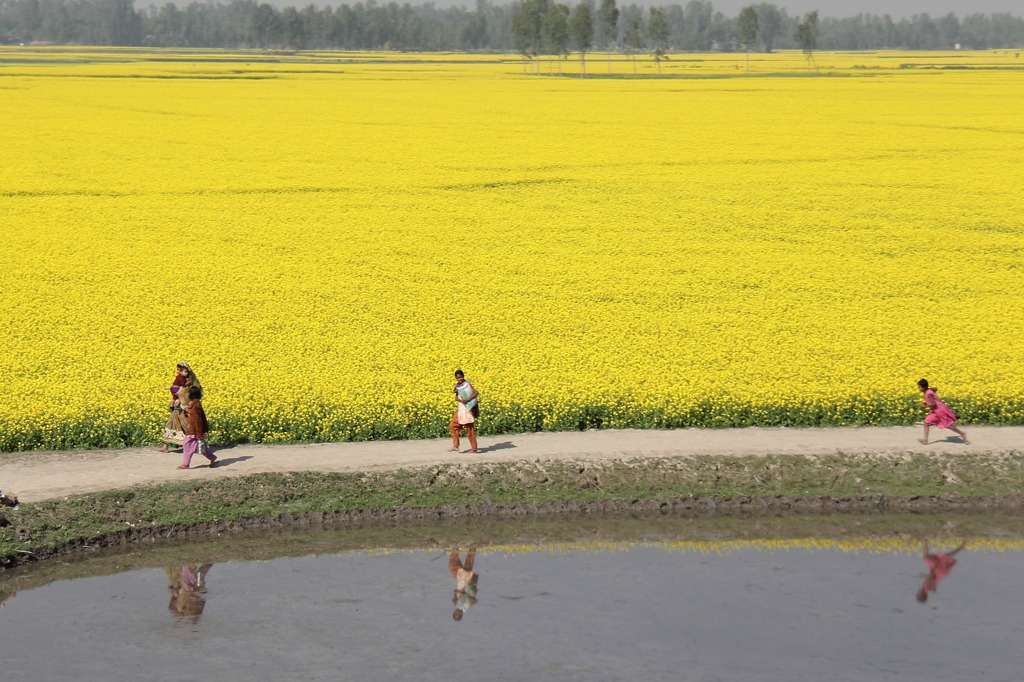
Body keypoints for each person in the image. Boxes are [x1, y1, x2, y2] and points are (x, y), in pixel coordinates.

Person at [160, 362, 202, 453]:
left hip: (185, 407)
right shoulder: (181, 379)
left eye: (181, 370)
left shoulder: (191, 382)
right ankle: (165, 446)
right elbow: (175, 390)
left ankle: (194, 445)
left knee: (187, 426)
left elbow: (185, 392)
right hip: (178, 406)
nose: (179, 371)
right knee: (171, 424)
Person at [916, 379, 968, 444]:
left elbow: (933, 404)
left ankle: (962, 433)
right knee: (926, 422)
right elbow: (936, 389)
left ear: (924, 387)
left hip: (940, 410)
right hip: (935, 411)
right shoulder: (929, 390)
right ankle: (925, 440)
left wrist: (924, 405)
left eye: (920, 387)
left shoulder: (928, 394)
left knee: (948, 425)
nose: (919, 389)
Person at [179, 385, 216, 469]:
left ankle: (185, 464)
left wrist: (199, 432)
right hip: (194, 429)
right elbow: (191, 416)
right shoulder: (193, 403)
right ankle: (213, 458)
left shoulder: (196, 405)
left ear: (191, 394)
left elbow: (197, 420)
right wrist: (186, 411)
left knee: (187, 445)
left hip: (194, 430)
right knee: (202, 447)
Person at [448, 370, 480, 453]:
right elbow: (456, 397)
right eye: (458, 378)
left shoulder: (467, 384)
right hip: (461, 408)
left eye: (461, 377)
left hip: (468, 409)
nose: (459, 379)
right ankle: (455, 446)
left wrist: (468, 399)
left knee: (470, 429)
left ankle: (474, 448)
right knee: (453, 425)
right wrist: (459, 399)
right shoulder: (457, 386)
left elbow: (476, 392)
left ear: (463, 376)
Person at [449, 548, 479, 621]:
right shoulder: (465, 606)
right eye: (458, 615)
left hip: (460, 581)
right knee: (467, 563)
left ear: (453, 612)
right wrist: (460, 592)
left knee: (455, 565)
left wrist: (457, 593)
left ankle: (456, 548)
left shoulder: (457, 604)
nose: (457, 613)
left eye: (455, 614)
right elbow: (468, 595)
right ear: (461, 615)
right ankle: (471, 547)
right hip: (466, 581)